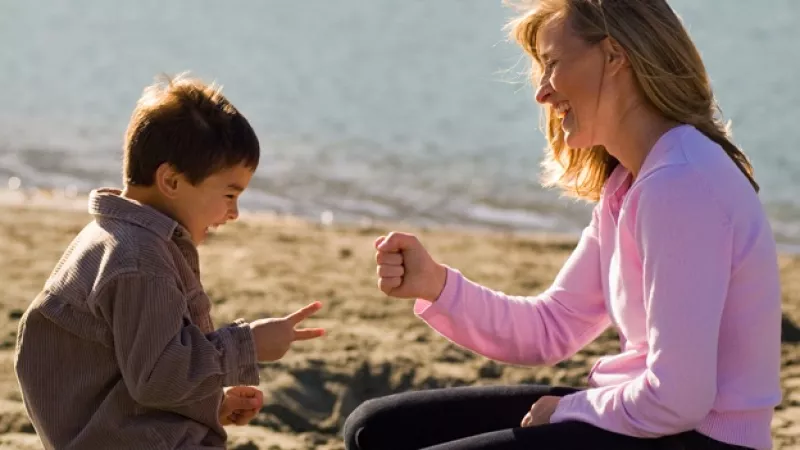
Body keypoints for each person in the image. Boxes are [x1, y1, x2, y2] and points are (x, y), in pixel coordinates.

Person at [344, 1, 781, 449]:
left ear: (614, 56)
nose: (542, 92)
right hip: (655, 422)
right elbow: (553, 326)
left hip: (699, 438)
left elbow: (679, 399)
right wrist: (436, 285)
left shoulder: (680, 184)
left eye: (552, 63)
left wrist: (569, 408)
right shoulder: (631, 182)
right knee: (373, 428)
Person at [14, 73, 326, 449]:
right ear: (172, 182)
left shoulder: (113, 237)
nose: (235, 213)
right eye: (229, 194)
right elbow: (158, 376)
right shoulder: (139, 260)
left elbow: (132, 370)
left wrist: (210, 405)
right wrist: (249, 345)